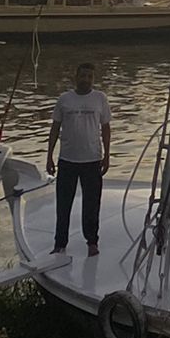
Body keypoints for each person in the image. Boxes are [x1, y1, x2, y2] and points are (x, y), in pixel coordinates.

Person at [46, 60, 112, 257]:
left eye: (89, 76)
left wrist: (107, 156)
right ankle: (60, 243)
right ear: (76, 77)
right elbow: (55, 128)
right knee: (63, 203)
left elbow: (106, 128)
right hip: (67, 160)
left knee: (92, 204)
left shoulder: (100, 98)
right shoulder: (64, 99)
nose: (86, 80)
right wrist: (49, 156)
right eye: (82, 76)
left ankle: (92, 241)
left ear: (93, 79)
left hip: (92, 160)